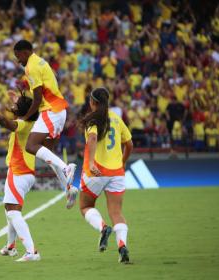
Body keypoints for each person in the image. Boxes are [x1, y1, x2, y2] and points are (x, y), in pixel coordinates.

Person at [0, 91, 41, 262]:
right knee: (10, 209)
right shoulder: (31, 122)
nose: (14, 105)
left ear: (22, 112)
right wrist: (16, 100)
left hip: (19, 171)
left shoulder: (23, 124)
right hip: (24, 171)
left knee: (13, 213)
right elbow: (23, 109)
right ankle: (10, 246)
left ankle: (31, 251)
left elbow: (4, 122)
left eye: (17, 104)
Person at [13, 39, 78, 209]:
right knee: (49, 154)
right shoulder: (40, 61)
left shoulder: (31, 67)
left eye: (18, 55)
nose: (17, 60)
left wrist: (25, 117)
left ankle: (67, 168)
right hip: (59, 111)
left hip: (50, 110)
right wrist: (25, 84)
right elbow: (46, 82)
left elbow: (37, 99)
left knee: (31, 145)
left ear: (25, 52)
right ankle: (69, 189)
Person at [78, 87, 133, 264]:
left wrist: (92, 163)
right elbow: (129, 144)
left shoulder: (93, 120)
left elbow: (92, 139)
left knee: (85, 206)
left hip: (96, 172)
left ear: (93, 102)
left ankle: (102, 228)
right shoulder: (116, 119)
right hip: (117, 173)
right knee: (117, 213)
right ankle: (122, 246)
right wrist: (123, 161)